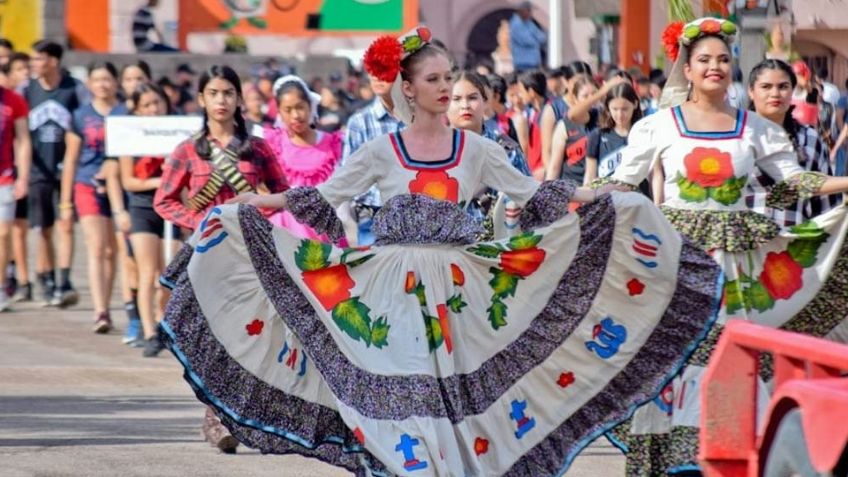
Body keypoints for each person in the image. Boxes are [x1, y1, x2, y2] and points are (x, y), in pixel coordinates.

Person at [159, 28, 724, 476]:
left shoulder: (476, 149)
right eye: (433, 79)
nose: (443, 88)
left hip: (460, 291)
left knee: (454, 396)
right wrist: (251, 205)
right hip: (392, 289)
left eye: (448, 78)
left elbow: (532, 194)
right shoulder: (382, 151)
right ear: (407, 87)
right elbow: (325, 198)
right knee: (406, 391)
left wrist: (607, 197)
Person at [602, 18, 848, 476]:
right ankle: (680, 462)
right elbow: (619, 182)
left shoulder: (756, 129)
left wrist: (846, 182)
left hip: (737, 267)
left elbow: (795, 184)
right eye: (704, 60)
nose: (715, 67)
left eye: (723, 59)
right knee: (681, 356)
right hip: (679, 263)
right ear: (687, 69)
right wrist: (562, 199)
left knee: (731, 354)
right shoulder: (659, 126)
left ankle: (727, 451)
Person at [153, 65, 288, 452]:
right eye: (213, 93)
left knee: (246, 335)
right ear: (201, 99)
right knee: (210, 336)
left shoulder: (257, 148)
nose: (222, 100)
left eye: (228, 92)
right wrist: (200, 222)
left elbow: (282, 192)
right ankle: (214, 416)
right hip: (203, 256)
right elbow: (163, 200)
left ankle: (230, 416)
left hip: (247, 254)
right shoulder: (187, 151)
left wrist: (253, 214)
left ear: (239, 98)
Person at [60, 62, 124, 332]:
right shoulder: (80, 115)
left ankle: (108, 304)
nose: (102, 84)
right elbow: (71, 159)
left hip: (119, 188)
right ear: (89, 84)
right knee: (97, 247)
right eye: (97, 79)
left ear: (115, 82)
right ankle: (101, 311)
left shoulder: (127, 113)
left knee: (112, 250)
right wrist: (65, 202)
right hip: (86, 185)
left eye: (107, 79)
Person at [24, 40, 88, 307]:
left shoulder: (73, 90)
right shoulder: (29, 91)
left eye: (39, 59)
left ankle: (64, 280)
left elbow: (82, 126)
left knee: (65, 225)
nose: (34, 65)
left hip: (68, 168)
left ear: (53, 61)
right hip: (39, 169)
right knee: (44, 229)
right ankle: (47, 277)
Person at [747, 59, 841, 226]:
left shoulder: (810, 138)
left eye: (783, 87)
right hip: (744, 243)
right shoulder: (736, 136)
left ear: (792, 91)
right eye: (766, 87)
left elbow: (828, 204)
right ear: (751, 91)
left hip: (795, 243)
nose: (775, 94)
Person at [119, 83, 171, 356]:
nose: (154, 109)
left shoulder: (178, 134)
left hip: (172, 208)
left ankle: (165, 322)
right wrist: (159, 179)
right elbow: (128, 180)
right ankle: (149, 331)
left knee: (168, 275)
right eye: (147, 105)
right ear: (137, 110)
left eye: (157, 103)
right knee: (147, 272)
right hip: (142, 207)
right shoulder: (129, 138)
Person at [447, 70, 530, 240]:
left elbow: (528, 200)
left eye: (472, 98)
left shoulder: (507, 149)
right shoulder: (430, 151)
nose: (465, 106)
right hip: (449, 252)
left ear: (485, 102)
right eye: (456, 99)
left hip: (498, 250)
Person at [264, 75, 342, 239]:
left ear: (310, 106)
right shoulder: (273, 144)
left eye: (300, 107)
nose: (296, 115)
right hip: (285, 232)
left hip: (324, 231)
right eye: (288, 109)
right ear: (279, 112)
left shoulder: (332, 143)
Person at [342, 65, 405, 246]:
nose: (378, 77)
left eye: (385, 70)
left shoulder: (419, 118)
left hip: (414, 216)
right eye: (373, 71)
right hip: (372, 216)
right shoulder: (359, 122)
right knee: (374, 272)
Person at [0, 79, 32, 310]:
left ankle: (1, 286)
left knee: (3, 234)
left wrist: (23, 177)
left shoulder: (13, 100)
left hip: (6, 177)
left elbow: (22, 140)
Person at [584, 82, 647, 195]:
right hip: (607, 202)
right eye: (615, 109)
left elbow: (655, 174)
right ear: (608, 108)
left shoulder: (645, 134)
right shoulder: (597, 135)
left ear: (635, 104)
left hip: (639, 202)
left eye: (625, 109)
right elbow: (590, 175)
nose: (620, 114)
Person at [546, 76, 603, 185]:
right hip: (572, 188)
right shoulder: (564, 125)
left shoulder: (605, 120)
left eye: (594, 94)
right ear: (575, 99)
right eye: (585, 96)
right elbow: (554, 166)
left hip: (600, 187)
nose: (590, 99)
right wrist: (547, 194)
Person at [511, 70, 547, 179]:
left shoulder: (548, 113)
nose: (520, 96)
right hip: (533, 172)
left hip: (542, 174)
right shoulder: (533, 113)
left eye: (521, 91)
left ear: (531, 92)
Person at [509, 1, 546, 72]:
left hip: (534, 63)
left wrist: (536, 40)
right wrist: (536, 41)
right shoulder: (515, 24)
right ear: (522, 10)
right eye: (528, 10)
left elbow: (542, 37)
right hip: (522, 64)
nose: (531, 13)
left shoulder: (529, 22)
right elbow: (527, 41)